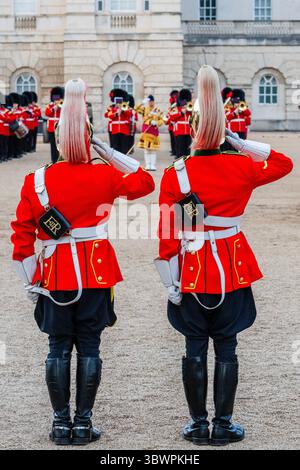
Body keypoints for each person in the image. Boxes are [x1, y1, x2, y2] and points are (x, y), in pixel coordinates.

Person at [11, 78, 155, 446]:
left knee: (58, 346)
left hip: (55, 273)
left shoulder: (37, 180)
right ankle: (83, 423)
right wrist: (105, 151)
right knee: (89, 345)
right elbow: (143, 182)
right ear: (88, 139)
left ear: (58, 139)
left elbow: (22, 237)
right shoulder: (105, 174)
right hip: (95, 269)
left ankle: (61, 424)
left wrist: (31, 280)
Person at [155, 65, 293, 446]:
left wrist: (171, 283)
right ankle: (224, 424)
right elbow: (283, 163)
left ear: (193, 127)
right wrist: (242, 143)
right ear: (221, 131)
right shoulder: (241, 166)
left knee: (194, 346)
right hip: (231, 267)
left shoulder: (176, 173)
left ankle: (198, 424)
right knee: (228, 346)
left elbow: (168, 235)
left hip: (193, 269)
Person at [136, 95, 164, 171]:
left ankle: (153, 164)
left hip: (154, 132)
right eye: (149, 101)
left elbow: (162, 120)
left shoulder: (157, 110)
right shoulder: (144, 109)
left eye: (152, 101)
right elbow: (136, 109)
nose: (151, 103)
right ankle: (148, 164)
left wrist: (157, 123)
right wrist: (142, 103)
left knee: (153, 150)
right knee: (147, 149)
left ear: (154, 101)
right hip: (146, 132)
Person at [104, 89, 132, 154]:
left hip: (124, 130)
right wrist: (116, 112)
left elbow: (129, 114)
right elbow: (108, 115)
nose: (118, 102)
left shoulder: (125, 107)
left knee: (124, 147)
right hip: (115, 130)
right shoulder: (111, 107)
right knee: (115, 147)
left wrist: (122, 109)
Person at [169, 89, 193, 159]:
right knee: (180, 151)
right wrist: (181, 112)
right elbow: (172, 117)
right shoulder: (176, 108)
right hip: (179, 132)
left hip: (188, 132)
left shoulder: (190, 107)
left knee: (188, 151)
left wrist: (190, 111)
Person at [45, 86, 64, 163]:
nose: (56, 100)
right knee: (53, 145)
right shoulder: (49, 106)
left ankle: (61, 159)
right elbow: (47, 113)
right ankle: (54, 160)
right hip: (51, 128)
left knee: (61, 145)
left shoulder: (62, 104)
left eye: (57, 98)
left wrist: (60, 107)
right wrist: (53, 108)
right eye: (55, 98)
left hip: (60, 127)